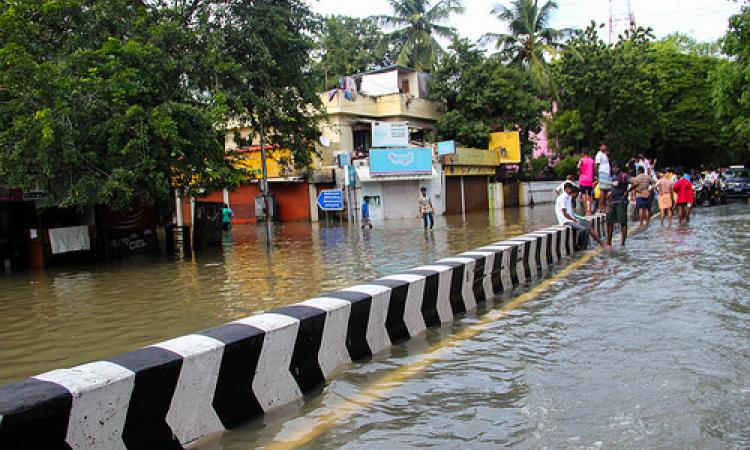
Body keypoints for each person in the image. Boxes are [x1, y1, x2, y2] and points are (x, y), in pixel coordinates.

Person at [555, 184, 608, 250]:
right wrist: (574, 220)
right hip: (565, 220)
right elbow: (565, 213)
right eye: (576, 194)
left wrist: (581, 218)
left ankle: (600, 244)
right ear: (566, 189)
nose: (577, 196)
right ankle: (580, 247)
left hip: (570, 219)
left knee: (589, 224)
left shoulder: (568, 197)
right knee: (583, 229)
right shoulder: (563, 198)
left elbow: (572, 213)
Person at [606, 163, 632, 246]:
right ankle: (609, 242)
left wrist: (627, 191)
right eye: (612, 167)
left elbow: (634, 182)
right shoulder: (612, 177)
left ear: (619, 168)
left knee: (623, 222)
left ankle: (622, 243)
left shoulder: (623, 176)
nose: (614, 169)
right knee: (609, 222)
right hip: (612, 202)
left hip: (621, 202)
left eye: (615, 167)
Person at [578, 149, 595, 215]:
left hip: (583, 179)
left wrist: (580, 172)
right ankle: (590, 210)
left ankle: (586, 210)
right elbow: (594, 170)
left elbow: (578, 166)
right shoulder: (592, 161)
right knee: (590, 195)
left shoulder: (581, 160)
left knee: (584, 194)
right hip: (590, 180)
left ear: (582, 153)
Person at [595, 144, 611, 213]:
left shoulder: (604, 155)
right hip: (602, 174)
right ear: (600, 147)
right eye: (603, 146)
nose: (604, 147)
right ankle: (600, 207)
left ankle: (604, 206)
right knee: (602, 191)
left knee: (606, 191)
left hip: (607, 175)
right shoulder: (599, 154)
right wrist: (597, 175)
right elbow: (596, 165)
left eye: (605, 146)